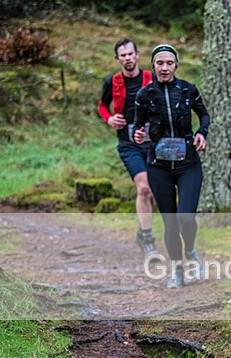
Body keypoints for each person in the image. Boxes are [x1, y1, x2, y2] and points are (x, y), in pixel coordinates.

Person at [132, 44, 210, 288]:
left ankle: (190, 250)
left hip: (188, 164)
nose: (164, 68)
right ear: (153, 66)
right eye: (159, 63)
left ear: (176, 65)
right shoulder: (144, 95)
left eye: (169, 63)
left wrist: (202, 133)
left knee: (186, 218)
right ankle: (177, 271)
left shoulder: (188, 89)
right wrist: (137, 134)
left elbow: (204, 115)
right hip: (159, 167)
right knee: (170, 222)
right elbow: (137, 126)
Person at [98, 38, 157, 258]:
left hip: (153, 144)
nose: (127, 58)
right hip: (128, 144)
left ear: (137, 54)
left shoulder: (151, 78)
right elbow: (102, 105)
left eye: (130, 54)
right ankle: (148, 239)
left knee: (151, 193)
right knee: (143, 188)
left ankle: (142, 233)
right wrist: (109, 119)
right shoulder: (111, 82)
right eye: (122, 55)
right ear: (117, 59)